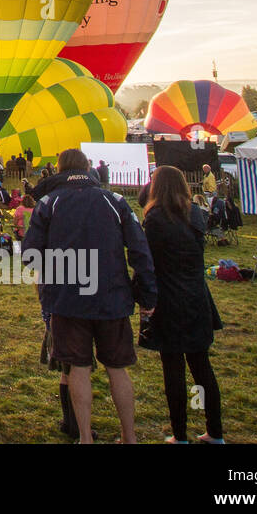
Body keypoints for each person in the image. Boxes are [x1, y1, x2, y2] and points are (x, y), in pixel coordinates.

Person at [21, 148, 157, 444]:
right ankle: (129, 437)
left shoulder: (49, 202)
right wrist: (146, 296)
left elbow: (30, 255)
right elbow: (140, 251)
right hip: (112, 297)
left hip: (68, 300)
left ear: (59, 169)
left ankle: (84, 437)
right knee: (117, 369)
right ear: (89, 168)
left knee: (78, 368)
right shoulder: (115, 201)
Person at [140, 166, 224, 443]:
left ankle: (180, 435)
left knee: (173, 368)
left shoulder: (155, 218)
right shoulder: (196, 214)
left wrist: (142, 297)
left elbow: (148, 262)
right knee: (202, 366)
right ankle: (215, 432)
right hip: (197, 295)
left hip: (169, 298)